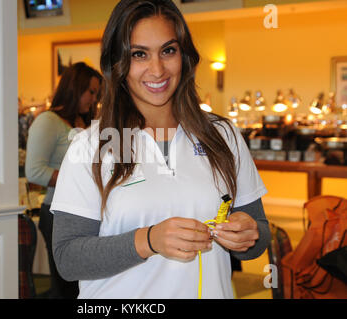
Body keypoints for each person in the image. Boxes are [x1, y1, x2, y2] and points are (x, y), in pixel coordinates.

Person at [50, 0, 271, 299]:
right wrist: (148, 240)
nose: (157, 69)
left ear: (184, 56)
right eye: (139, 54)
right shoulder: (90, 145)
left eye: (168, 51)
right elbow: (68, 258)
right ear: (118, 63)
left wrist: (249, 235)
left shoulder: (223, 135)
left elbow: (258, 232)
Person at [25, 62, 102, 299]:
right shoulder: (48, 121)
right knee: (66, 286)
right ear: (75, 88)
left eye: (96, 94)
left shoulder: (85, 123)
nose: (93, 98)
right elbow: (34, 171)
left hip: (90, 210)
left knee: (88, 284)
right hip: (58, 212)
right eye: (91, 91)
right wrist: (77, 179)